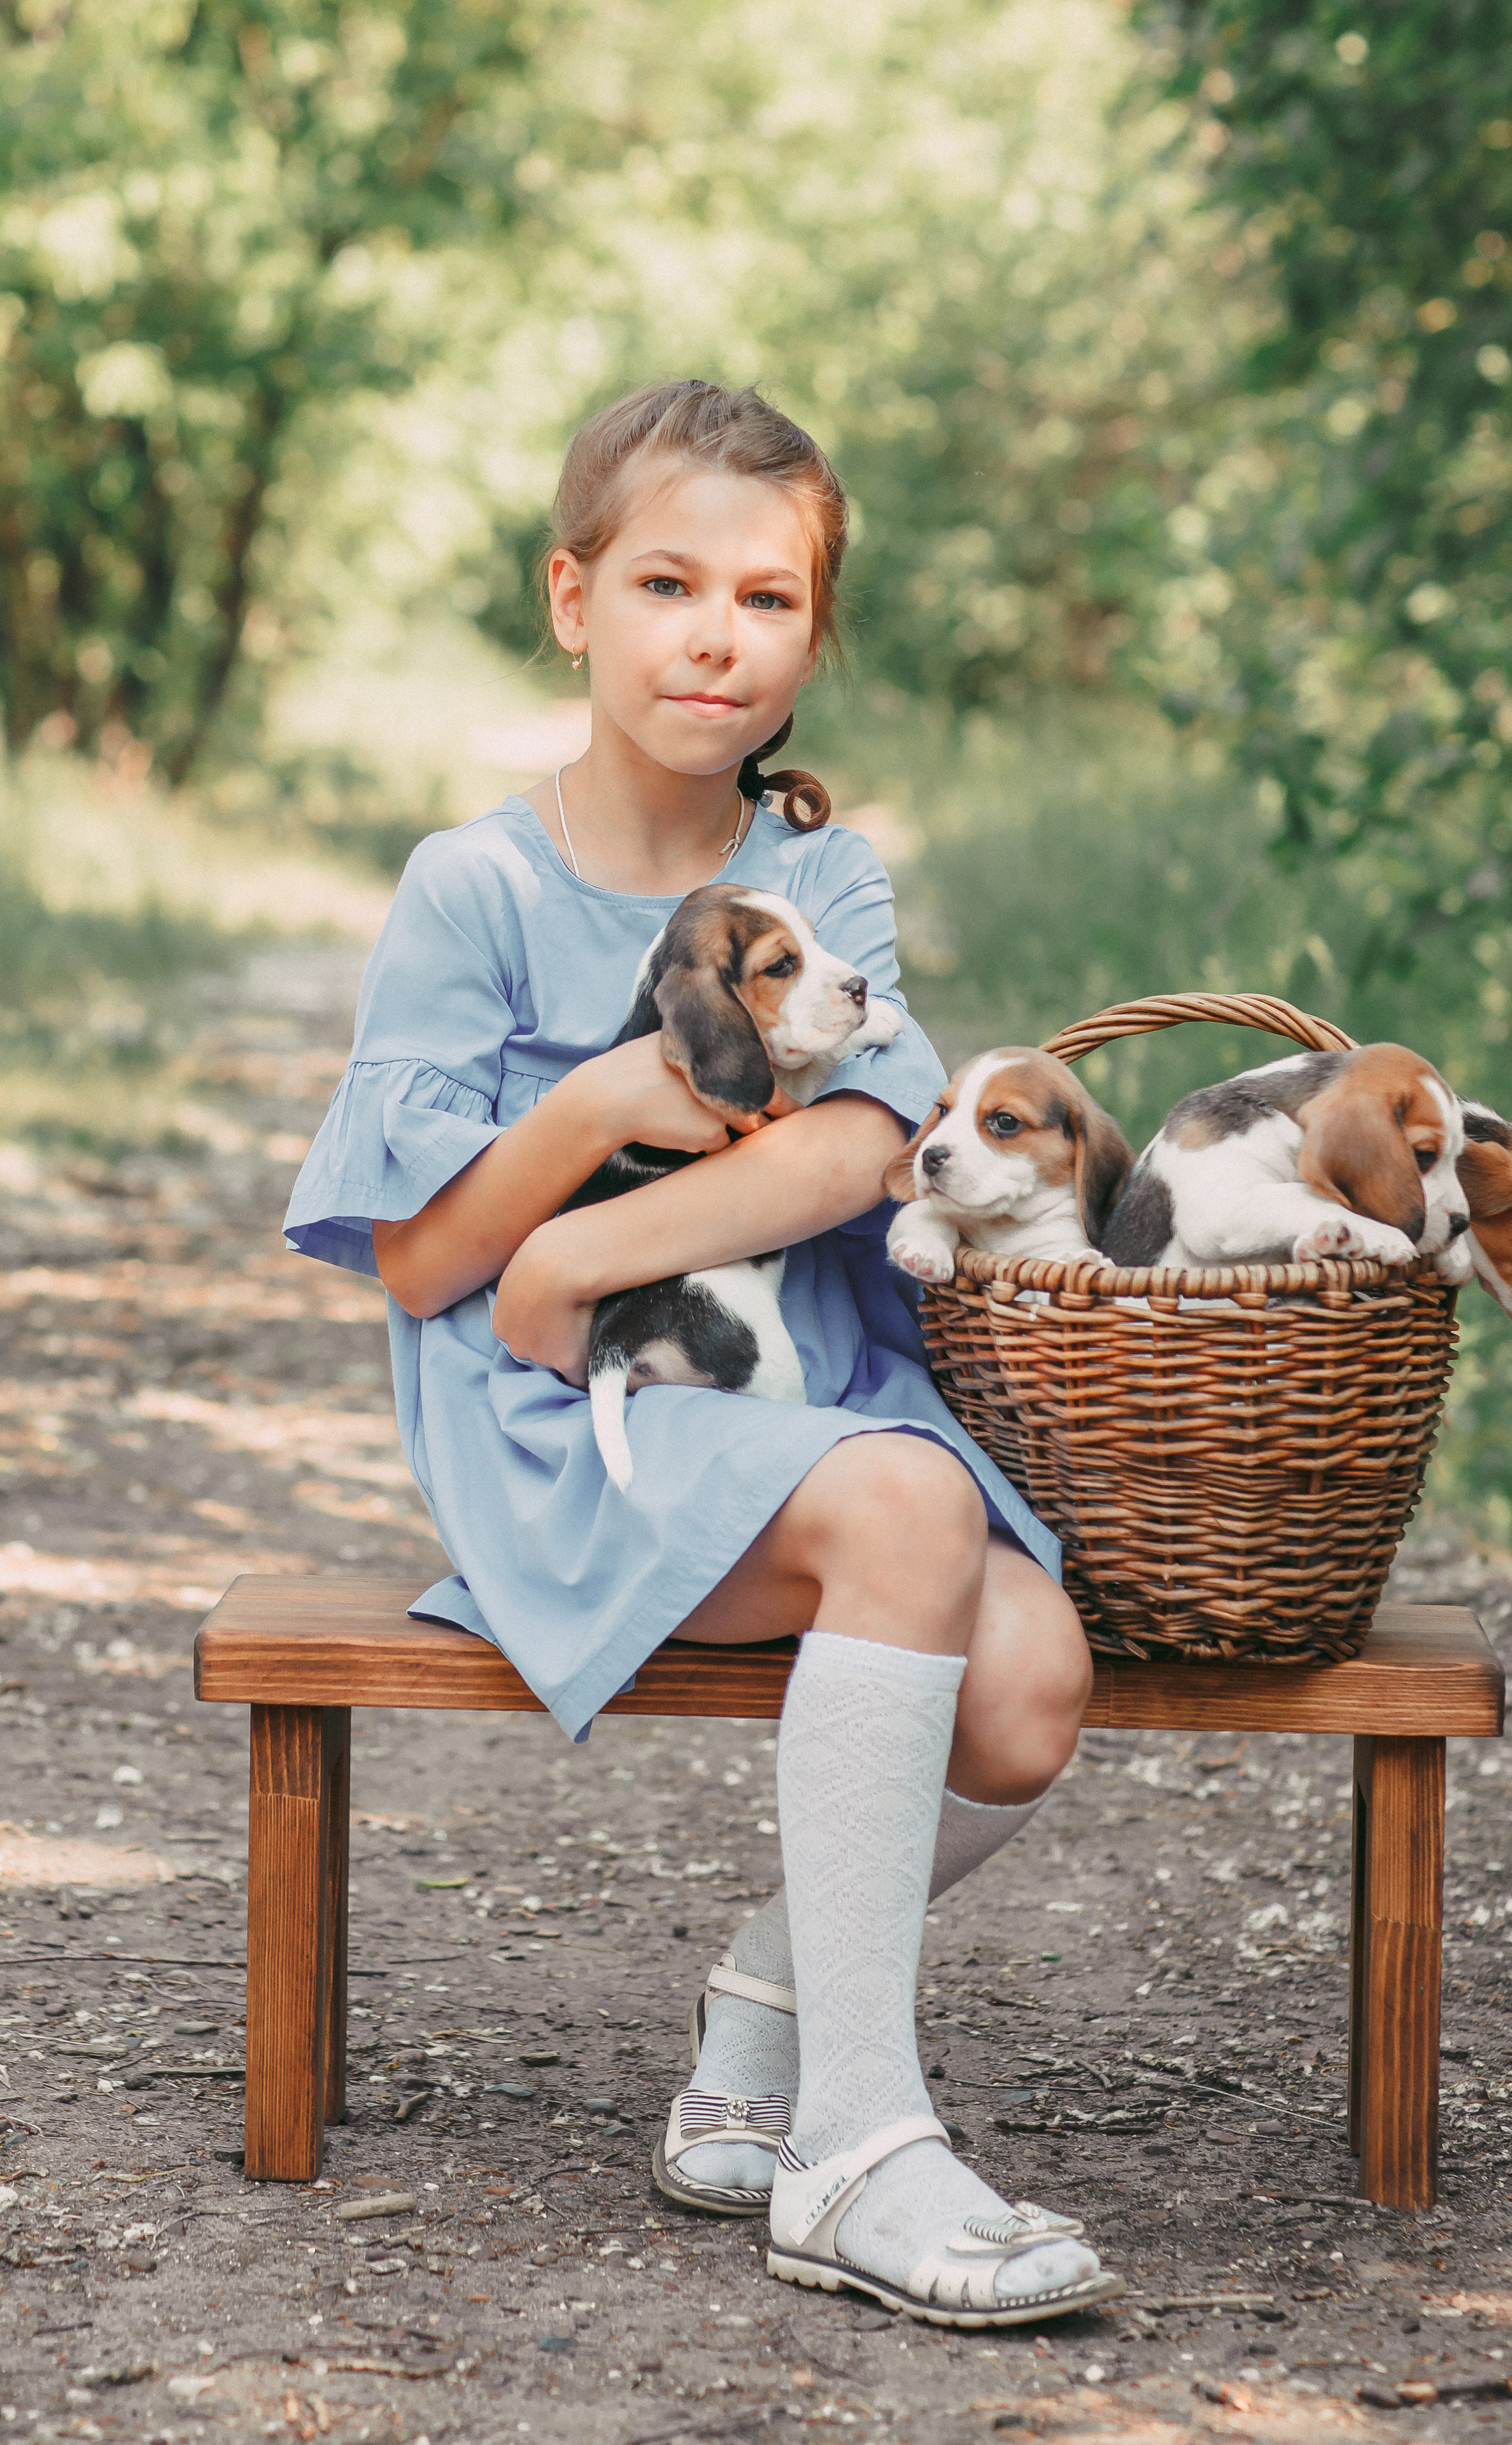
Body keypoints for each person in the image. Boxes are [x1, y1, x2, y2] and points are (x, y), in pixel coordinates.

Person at [284, 379, 1120, 2325]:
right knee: (910, 1511)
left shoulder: (825, 882)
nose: (715, 635)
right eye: (668, 584)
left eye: (768, 598)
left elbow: (862, 1147)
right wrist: (593, 1109)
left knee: (1031, 1689)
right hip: (578, 1420)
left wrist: (578, 1247)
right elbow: (423, 1258)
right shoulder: (477, 888)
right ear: (574, 601)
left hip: (804, 1389)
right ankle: (859, 2147)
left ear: (811, 643)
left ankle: (764, 2007)